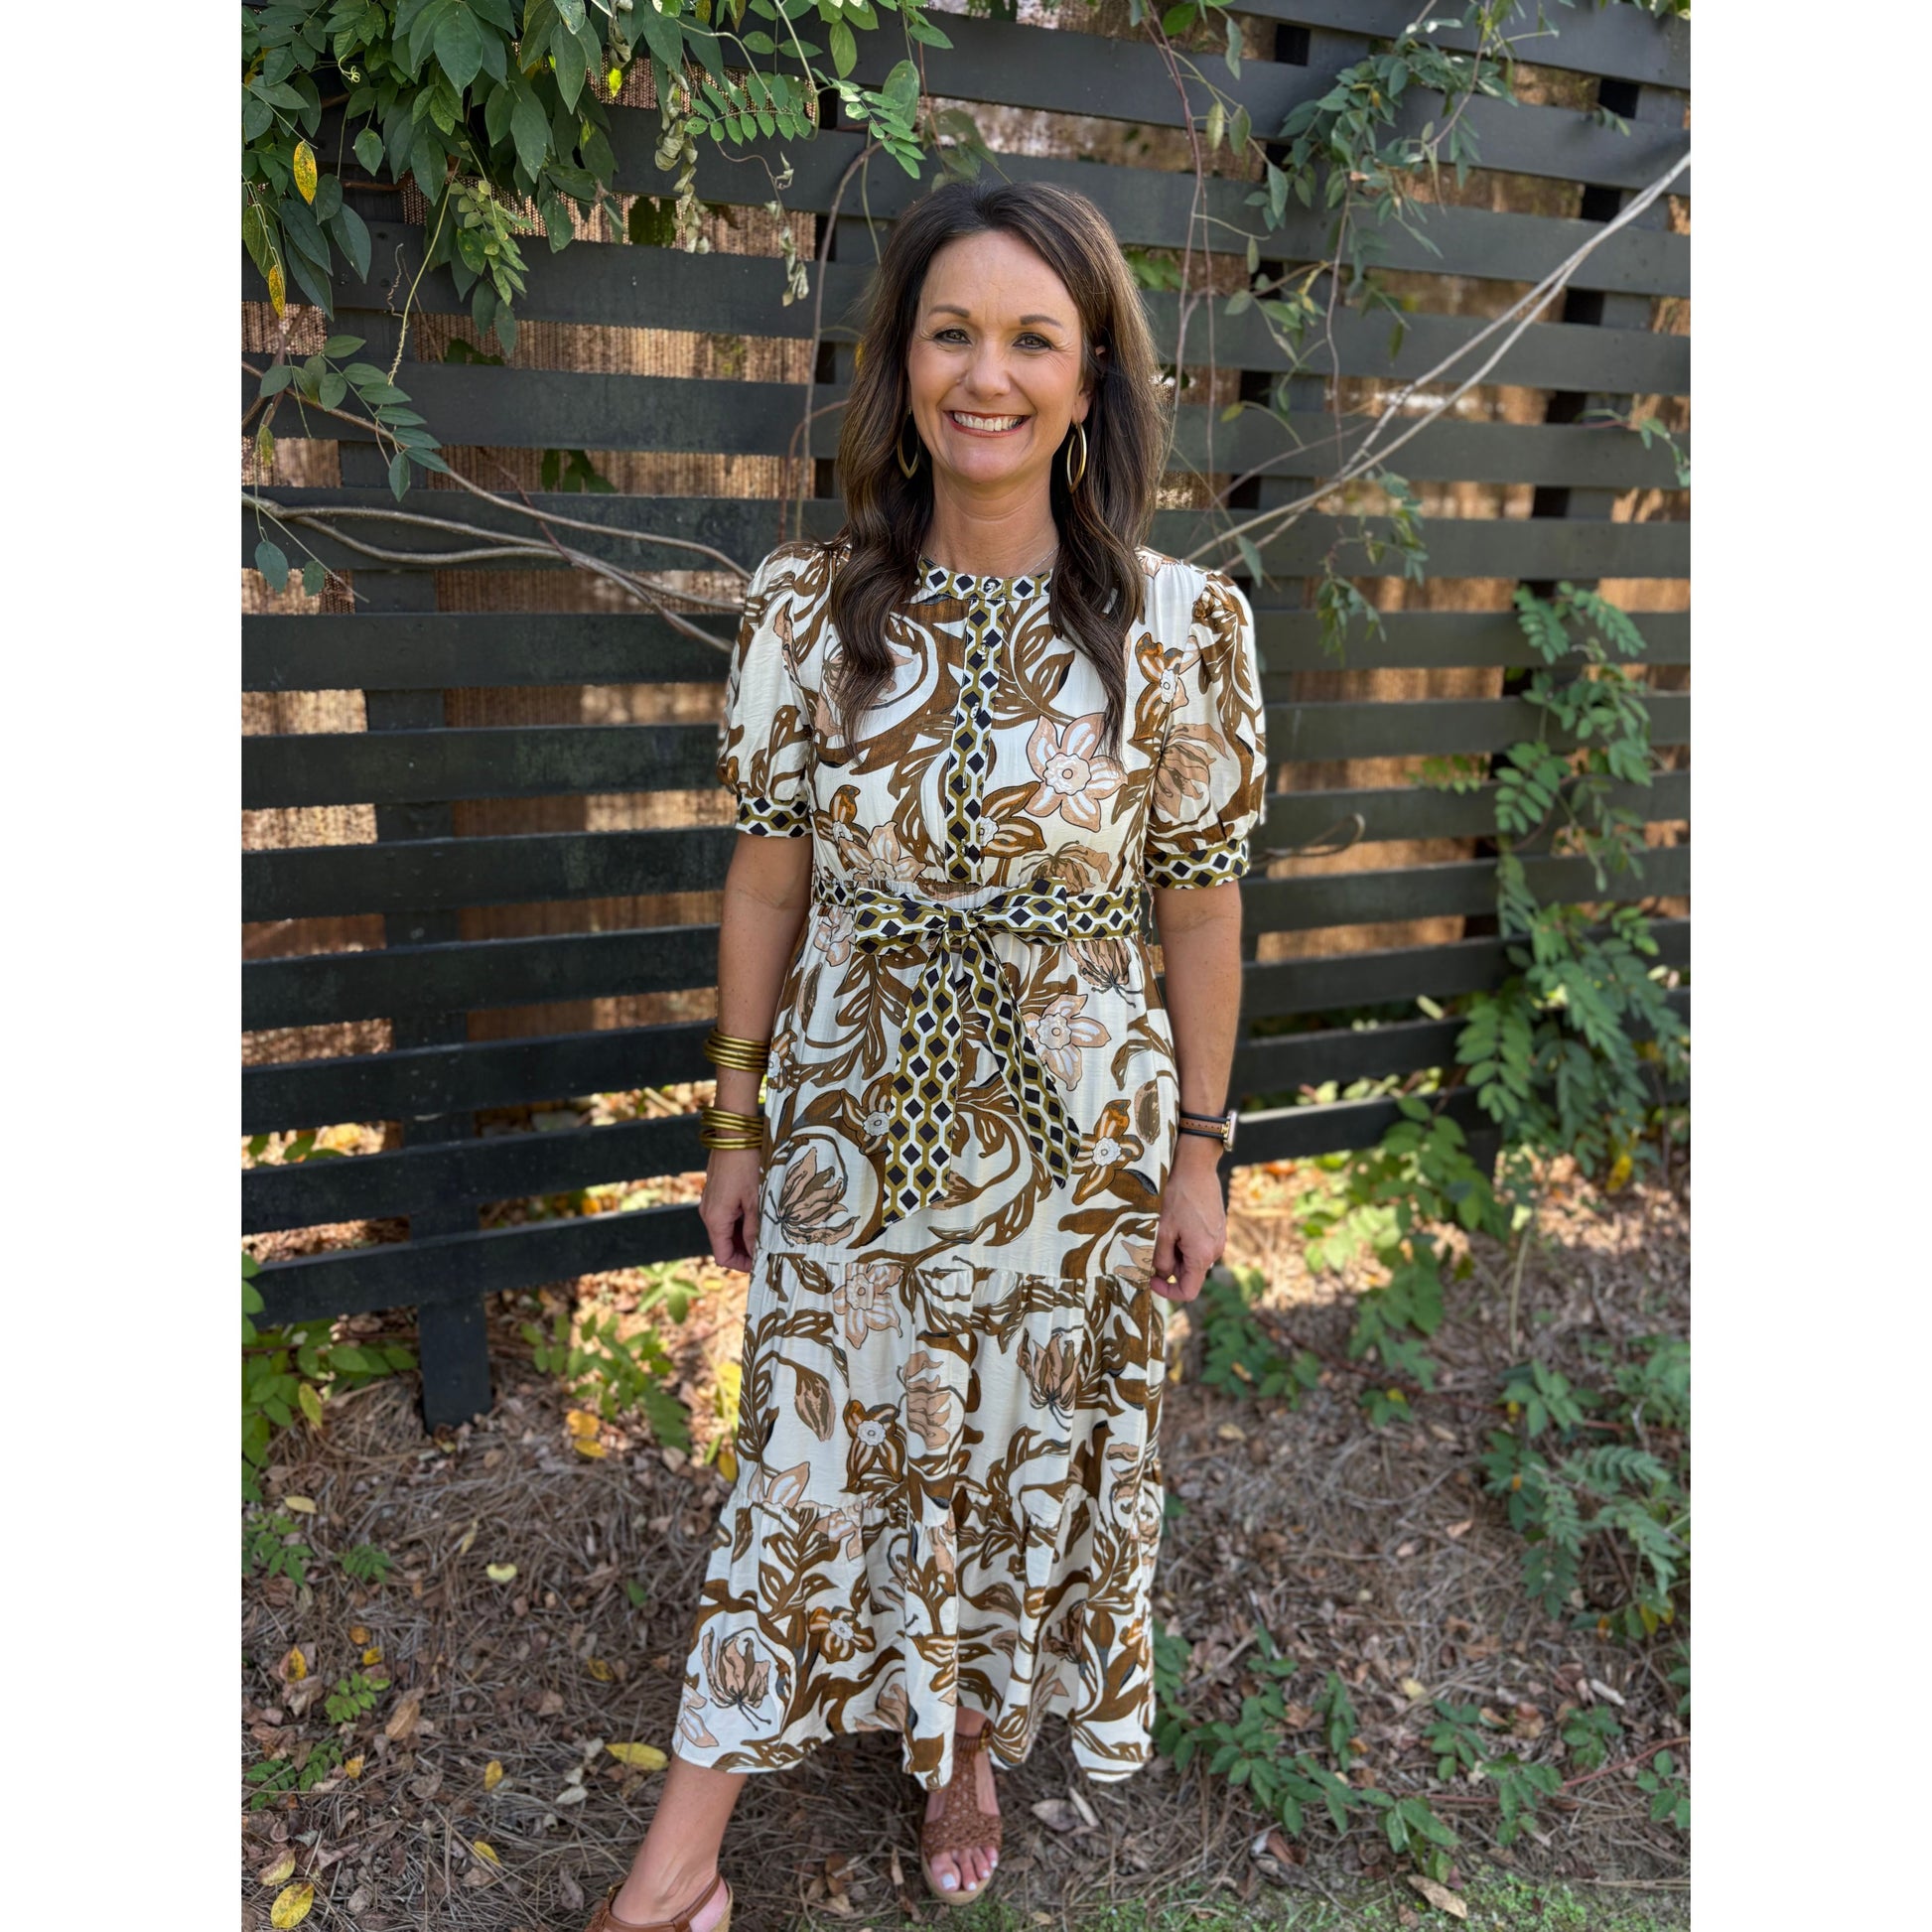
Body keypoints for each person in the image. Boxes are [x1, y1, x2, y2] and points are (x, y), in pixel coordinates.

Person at [583, 178, 1266, 1932]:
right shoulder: (805, 610)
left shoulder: (1183, 627)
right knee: (803, 1465)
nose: (987, 373)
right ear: (900, 363)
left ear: (1089, 377)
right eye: (951, 332)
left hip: (1078, 1138)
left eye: (1033, 338)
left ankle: (962, 1741)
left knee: (1015, 1442)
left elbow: (1198, 908)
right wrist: (731, 1119)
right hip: (853, 1117)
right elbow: (765, 879)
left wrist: (1198, 1147)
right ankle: (676, 1870)